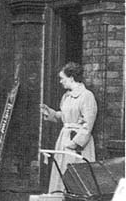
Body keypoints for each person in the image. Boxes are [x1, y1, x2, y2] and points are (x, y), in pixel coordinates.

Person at [41, 62, 98, 194]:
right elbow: (64, 116)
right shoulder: (66, 96)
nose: (61, 81)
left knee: (77, 178)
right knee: (61, 175)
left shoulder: (86, 96)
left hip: (77, 145)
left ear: (71, 78)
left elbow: (88, 124)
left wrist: (74, 143)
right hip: (65, 139)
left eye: (62, 78)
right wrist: (50, 113)